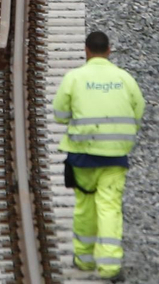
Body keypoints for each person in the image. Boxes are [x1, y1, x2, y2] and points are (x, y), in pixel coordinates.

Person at [53, 30, 144, 281]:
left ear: (86, 50)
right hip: (115, 156)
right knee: (109, 208)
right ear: (109, 50)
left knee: (85, 207)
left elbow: (59, 114)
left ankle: (83, 258)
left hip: (82, 155)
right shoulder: (124, 78)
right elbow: (138, 109)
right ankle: (109, 266)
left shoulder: (74, 78)